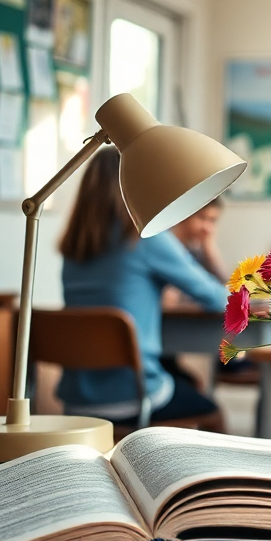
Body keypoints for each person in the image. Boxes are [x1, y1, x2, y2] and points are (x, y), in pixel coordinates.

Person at [57, 147, 229, 432]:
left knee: (184, 381)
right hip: (134, 395)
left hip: (75, 399)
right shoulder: (146, 239)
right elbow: (215, 298)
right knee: (212, 412)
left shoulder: (73, 249)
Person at [169, 197, 225, 279]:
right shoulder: (167, 244)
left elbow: (224, 282)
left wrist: (209, 246)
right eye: (202, 218)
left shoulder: (195, 250)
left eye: (212, 220)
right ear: (185, 216)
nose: (207, 228)